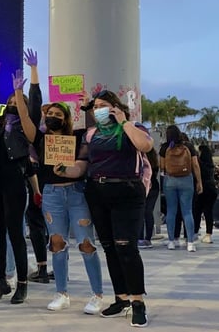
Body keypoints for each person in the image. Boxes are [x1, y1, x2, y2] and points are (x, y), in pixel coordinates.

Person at [66, 90, 153, 327]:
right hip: (98, 192)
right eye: (96, 106)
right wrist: (63, 169)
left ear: (115, 106)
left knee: (126, 247)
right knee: (110, 248)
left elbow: (144, 146)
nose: (99, 110)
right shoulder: (91, 134)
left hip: (127, 191)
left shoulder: (133, 126)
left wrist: (124, 121)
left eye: (104, 105)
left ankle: (138, 302)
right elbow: (83, 164)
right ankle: (121, 298)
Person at [36, 98, 104, 314]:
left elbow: (95, 128)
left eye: (58, 114)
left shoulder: (77, 137)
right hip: (51, 195)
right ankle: (61, 293)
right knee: (57, 244)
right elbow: (29, 127)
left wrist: (88, 107)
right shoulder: (42, 139)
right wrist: (24, 93)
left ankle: (97, 294)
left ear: (66, 119)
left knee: (86, 244)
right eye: (50, 114)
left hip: (76, 193)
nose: (53, 117)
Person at [0, 51, 38, 305]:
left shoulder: (25, 126)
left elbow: (28, 119)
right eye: (11, 100)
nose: (13, 103)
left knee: (15, 232)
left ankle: (22, 284)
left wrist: (21, 93)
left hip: (15, 182)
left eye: (17, 100)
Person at [159, 125, 202, 252]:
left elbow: (161, 166)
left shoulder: (165, 148)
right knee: (187, 211)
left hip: (170, 180)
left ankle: (172, 241)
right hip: (186, 180)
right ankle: (190, 243)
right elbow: (195, 164)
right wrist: (199, 181)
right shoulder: (188, 146)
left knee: (171, 211)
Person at [194, 144, 219, 244]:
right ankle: (209, 234)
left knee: (197, 211)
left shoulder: (199, 163)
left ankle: (195, 231)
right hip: (212, 188)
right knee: (208, 212)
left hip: (202, 188)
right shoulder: (210, 165)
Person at [138, 149, 160, 248]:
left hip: (143, 186)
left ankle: (140, 238)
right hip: (154, 187)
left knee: (140, 213)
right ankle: (148, 238)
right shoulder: (154, 160)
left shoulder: (141, 158)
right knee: (149, 212)